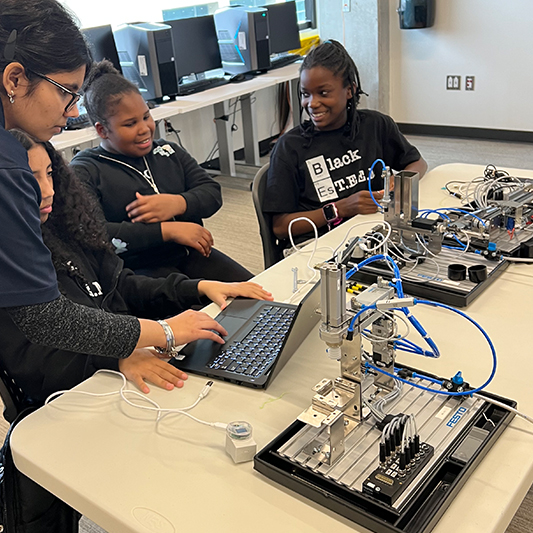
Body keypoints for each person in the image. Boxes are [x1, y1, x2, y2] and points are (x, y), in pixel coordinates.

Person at [0, 0, 228, 369]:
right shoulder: (8, 166)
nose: (74, 111)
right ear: (15, 79)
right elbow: (45, 318)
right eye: (66, 92)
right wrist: (164, 333)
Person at [3, 129, 274, 405]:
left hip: (117, 359)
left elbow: (121, 286)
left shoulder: (61, 228)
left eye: (49, 173)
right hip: (73, 395)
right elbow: (39, 365)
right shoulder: (12, 264)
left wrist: (199, 288)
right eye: (30, 178)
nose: (48, 190)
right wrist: (118, 358)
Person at [71, 60, 253, 281]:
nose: (144, 129)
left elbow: (212, 192)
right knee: (204, 312)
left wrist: (178, 203)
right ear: (102, 130)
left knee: (260, 296)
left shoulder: (168, 151)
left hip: (191, 257)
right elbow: (95, 233)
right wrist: (168, 231)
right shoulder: (86, 170)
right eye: (130, 124)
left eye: (146, 117)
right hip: (137, 273)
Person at [263, 39, 428, 250]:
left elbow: (418, 163)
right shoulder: (290, 147)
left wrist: (399, 183)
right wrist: (338, 209)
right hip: (318, 246)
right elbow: (279, 227)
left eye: (323, 93)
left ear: (350, 90)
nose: (312, 104)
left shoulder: (375, 125)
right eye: (306, 94)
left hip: (372, 234)